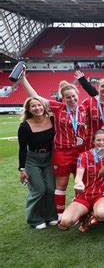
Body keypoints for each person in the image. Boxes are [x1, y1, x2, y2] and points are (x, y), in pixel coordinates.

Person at [20, 73, 88, 220]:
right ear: (63, 98)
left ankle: (80, 214)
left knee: (80, 184)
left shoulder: (84, 109)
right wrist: (23, 79)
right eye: (68, 97)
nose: (71, 99)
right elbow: (36, 97)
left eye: (73, 96)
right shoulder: (58, 108)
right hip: (62, 152)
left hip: (80, 152)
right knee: (61, 186)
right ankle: (60, 215)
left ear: (78, 94)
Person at [58, 130, 104, 232]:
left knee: (102, 214)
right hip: (84, 195)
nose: (101, 142)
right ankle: (87, 215)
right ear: (93, 142)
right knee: (65, 222)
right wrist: (78, 183)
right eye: (98, 140)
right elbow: (78, 176)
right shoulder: (84, 156)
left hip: (102, 194)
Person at [17, 97, 57, 229]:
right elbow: (22, 148)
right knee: (39, 189)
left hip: (50, 157)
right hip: (32, 159)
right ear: (28, 109)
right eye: (33, 106)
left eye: (39, 105)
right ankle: (34, 219)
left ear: (44, 106)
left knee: (51, 188)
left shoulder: (52, 119)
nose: (37, 108)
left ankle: (51, 216)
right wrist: (22, 169)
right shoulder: (24, 126)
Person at [81, 78, 104, 148]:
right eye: (103, 86)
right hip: (91, 143)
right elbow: (81, 121)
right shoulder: (87, 102)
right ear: (97, 88)